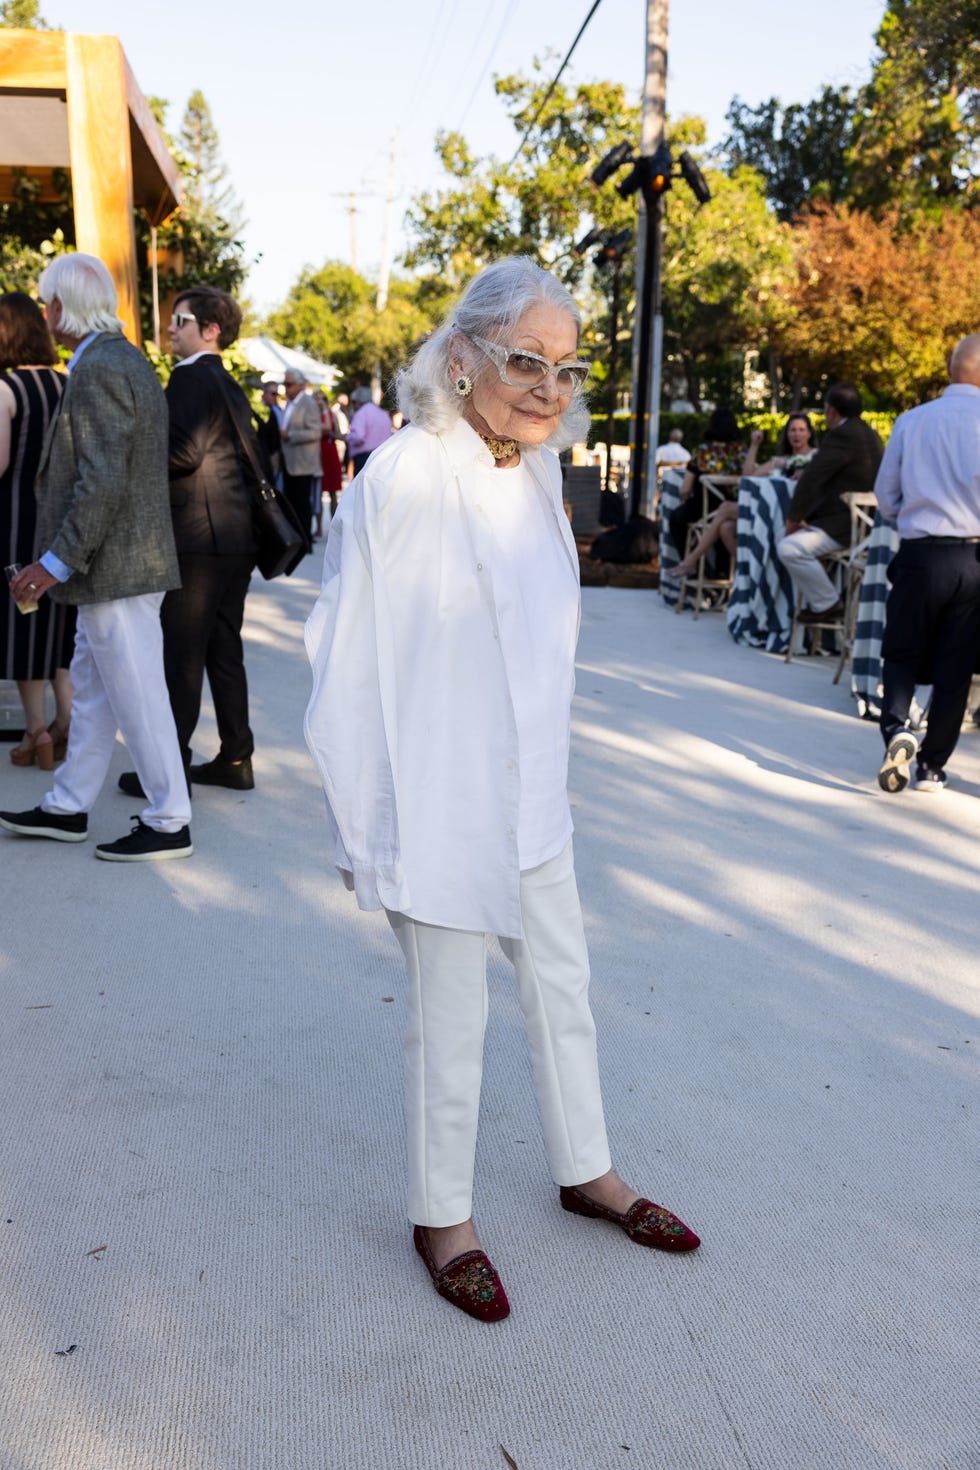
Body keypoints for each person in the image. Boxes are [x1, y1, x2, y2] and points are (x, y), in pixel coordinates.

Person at [304, 256, 700, 1324]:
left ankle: (586, 1170)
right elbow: (344, 663)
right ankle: (443, 1219)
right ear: (464, 353)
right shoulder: (402, 475)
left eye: (566, 371)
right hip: (435, 802)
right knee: (449, 1015)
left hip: (532, 797)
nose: (546, 388)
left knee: (560, 984)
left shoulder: (532, 476)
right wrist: (366, 824)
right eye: (526, 361)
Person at [0, 252, 191, 861]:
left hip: (118, 568)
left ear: (60, 307)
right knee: (93, 686)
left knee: (136, 692)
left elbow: (101, 480)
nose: (46, 309)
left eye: (48, 299)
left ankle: (169, 819)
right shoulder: (116, 358)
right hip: (119, 565)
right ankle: (67, 805)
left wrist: (51, 564)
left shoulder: (101, 366)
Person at [118, 285, 258, 799]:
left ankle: (170, 769)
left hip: (197, 538)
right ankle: (236, 756)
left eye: (180, 320)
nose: (170, 329)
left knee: (182, 654)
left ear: (209, 330)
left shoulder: (188, 378)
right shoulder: (226, 381)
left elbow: (182, 453)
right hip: (234, 535)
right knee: (223, 649)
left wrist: (134, 443)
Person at [874, 335, 980, 794]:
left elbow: (885, 495)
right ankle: (933, 767)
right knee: (956, 666)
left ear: (949, 369)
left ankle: (898, 727)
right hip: (974, 558)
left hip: (920, 552)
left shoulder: (912, 421)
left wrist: (909, 517)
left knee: (901, 650)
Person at [0, 291, 74, 769]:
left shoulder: (5, 388)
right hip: (62, 515)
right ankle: (67, 723)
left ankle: (37, 732)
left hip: (14, 515)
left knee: (24, 614)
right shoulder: (68, 383)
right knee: (58, 623)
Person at [776, 384, 883, 624]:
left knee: (787, 547)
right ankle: (821, 603)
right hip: (865, 525)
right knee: (786, 542)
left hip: (845, 526)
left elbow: (812, 477)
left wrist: (793, 519)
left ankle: (826, 603)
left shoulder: (843, 435)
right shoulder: (870, 433)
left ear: (832, 411)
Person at [666, 413, 816, 581]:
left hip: (792, 514)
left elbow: (684, 490)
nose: (797, 434)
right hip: (770, 509)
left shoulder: (816, 457)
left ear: (809, 433)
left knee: (723, 510)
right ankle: (751, 576)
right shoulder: (781, 460)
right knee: (725, 527)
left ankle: (691, 561)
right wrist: (754, 445)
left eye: (801, 430)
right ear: (787, 434)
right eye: (793, 430)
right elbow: (747, 477)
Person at [668, 407, 745, 559]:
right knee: (724, 526)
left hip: (703, 509)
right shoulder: (741, 452)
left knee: (676, 519)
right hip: (732, 507)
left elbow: (685, 490)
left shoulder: (703, 452)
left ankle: (692, 567)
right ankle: (721, 572)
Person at [279, 370, 322, 541]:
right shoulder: (290, 403)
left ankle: (305, 539)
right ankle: (296, 538)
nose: (286, 388)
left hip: (303, 464)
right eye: (285, 384)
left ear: (300, 385)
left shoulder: (308, 403)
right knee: (291, 503)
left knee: (302, 503)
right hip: (290, 462)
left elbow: (315, 432)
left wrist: (290, 435)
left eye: (288, 384)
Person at [345, 385, 392, 477]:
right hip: (382, 457)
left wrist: (347, 437)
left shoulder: (361, 413)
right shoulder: (382, 414)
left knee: (361, 489)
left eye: (354, 402)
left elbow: (358, 437)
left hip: (364, 458)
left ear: (358, 401)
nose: (353, 405)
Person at [315, 390, 344, 520]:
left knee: (333, 492)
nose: (320, 402)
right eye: (317, 399)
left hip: (330, 453)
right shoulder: (312, 416)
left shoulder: (332, 415)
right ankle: (319, 527)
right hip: (318, 454)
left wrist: (335, 436)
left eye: (323, 399)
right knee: (318, 493)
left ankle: (333, 522)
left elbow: (337, 433)